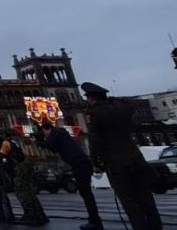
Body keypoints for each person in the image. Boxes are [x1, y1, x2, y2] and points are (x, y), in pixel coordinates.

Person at [83, 82, 162, 230]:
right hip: (136, 159)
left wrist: (95, 163)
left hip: (117, 164)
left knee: (130, 202)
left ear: (92, 98)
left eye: (88, 98)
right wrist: (112, 99)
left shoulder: (93, 113)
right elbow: (129, 104)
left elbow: (95, 141)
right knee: (147, 198)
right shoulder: (122, 108)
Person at [38, 121, 102, 229]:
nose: (44, 135)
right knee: (85, 193)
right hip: (79, 164)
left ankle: (95, 221)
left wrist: (38, 142)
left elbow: (48, 144)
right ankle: (94, 220)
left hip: (80, 164)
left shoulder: (57, 133)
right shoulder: (60, 134)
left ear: (46, 129)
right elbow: (53, 148)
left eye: (43, 133)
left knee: (86, 193)